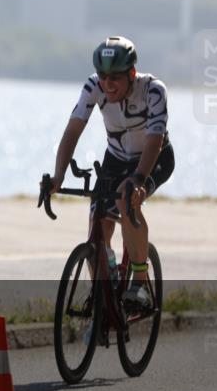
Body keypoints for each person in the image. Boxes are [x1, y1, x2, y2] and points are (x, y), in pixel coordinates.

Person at [49, 36, 174, 313]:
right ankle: (103, 299)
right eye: (103, 76)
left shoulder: (153, 90)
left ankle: (140, 282)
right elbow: (73, 130)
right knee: (98, 220)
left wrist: (139, 180)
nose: (108, 83)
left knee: (125, 199)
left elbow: (154, 139)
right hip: (116, 158)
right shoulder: (93, 86)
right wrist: (58, 176)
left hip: (154, 157)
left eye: (115, 77)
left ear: (131, 73)